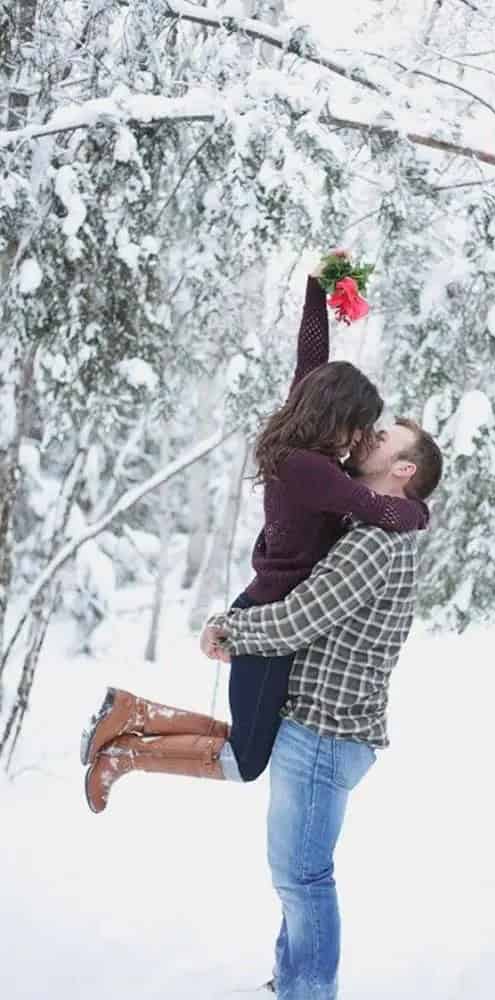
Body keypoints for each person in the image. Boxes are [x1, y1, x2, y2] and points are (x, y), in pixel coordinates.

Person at [82, 251, 429, 812]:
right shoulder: (313, 470)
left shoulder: (302, 447)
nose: (363, 435)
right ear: (334, 415)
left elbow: (310, 354)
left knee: (246, 744)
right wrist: (419, 512)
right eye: (359, 423)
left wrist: (317, 287)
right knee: (245, 760)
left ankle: (130, 719)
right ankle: (124, 751)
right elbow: (378, 509)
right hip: (266, 620)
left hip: (262, 614)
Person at [201, 416, 443, 1000]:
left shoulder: (372, 544)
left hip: (324, 736)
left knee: (302, 877)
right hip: (327, 732)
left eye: (382, 439)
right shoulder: (374, 531)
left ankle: (307, 992)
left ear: (403, 470)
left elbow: (298, 620)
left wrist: (228, 629)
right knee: (299, 876)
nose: (367, 439)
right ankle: (292, 980)